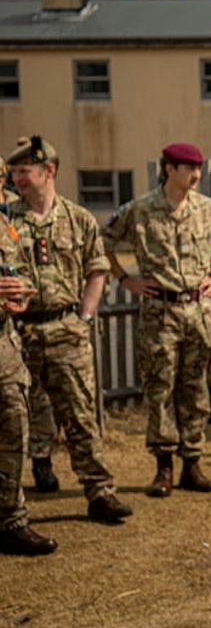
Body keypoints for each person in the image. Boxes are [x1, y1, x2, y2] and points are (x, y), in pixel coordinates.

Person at [7, 136, 132, 523]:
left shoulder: (78, 219)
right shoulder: (6, 218)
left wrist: (84, 317)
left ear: (49, 171)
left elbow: (98, 270)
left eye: (24, 171)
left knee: (80, 415)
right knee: (16, 418)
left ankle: (99, 492)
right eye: (13, 172)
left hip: (66, 330)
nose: (17, 179)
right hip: (18, 333)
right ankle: (16, 500)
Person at [102, 142, 211, 497]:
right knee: (159, 389)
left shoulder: (207, 209)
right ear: (169, 169)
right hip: (160, 313)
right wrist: (125, 279)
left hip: (198, 312)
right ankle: (163, 468)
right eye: (189, 168)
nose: (196, 175)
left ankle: (193, 463)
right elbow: (104, 241)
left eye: (199, 167)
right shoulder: (140, 210)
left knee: (196, 388)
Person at [0, 203, 52, 554]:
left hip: (3, 343)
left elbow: (17, 269)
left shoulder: (5, 226)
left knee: (14, 425)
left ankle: (10, 520)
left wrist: (18, 293)